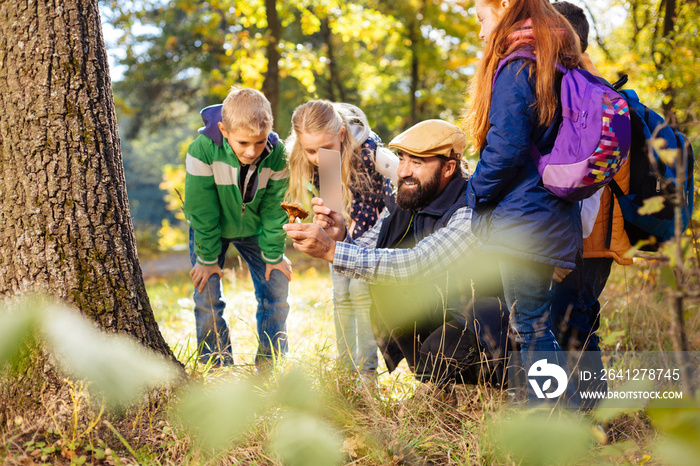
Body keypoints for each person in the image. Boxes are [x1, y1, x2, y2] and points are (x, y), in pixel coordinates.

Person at [285, 120, 509, 388]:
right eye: (402, 159)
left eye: (417, 163)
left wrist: (332, 250)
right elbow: (371, 250)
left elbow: (417, 263)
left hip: (486, 321)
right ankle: (440, 380)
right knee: (418, 347)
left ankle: (488, 386)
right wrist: (341, 236)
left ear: (448, 167)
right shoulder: (411, 199)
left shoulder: (469, 210)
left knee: (436, 356)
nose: (402, 171)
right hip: (444, 310)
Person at [463, 0, 583, 404]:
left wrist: (473, 194)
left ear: (504, 6)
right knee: (531, 323)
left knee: (531, 325)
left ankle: (548, 417)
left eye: (482, 19)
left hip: (525, 218)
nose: (481, 33)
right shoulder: (557, 60)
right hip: (548, 214)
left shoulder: (519, 65)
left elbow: (505, 148)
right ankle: (549, 412)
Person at [550, 1, 633, 407]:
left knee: (574, 322)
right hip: (588, 233)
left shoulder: (585, 91)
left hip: (586, 234)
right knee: (573, 320)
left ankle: (594, 418)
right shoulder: (589, 84)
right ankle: (582, 414)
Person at [184, 87, 291, 371]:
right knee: (207, 296)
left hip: (257, 229)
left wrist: (273, 253)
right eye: (243, 142)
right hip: (212, 231)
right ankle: (217, 366)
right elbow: (202, 210)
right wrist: (207, 260)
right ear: (224, 129)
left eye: (258, 142)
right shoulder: (202, 150)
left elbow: (274, 208)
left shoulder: (278, 154)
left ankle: (271, 364)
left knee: (276, 288)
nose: (251, 151)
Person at [286, 100, 392, 375]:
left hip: (373, 236)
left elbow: (394, 201)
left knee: (359, 293)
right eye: (310, 150)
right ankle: (345, 373)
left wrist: (362, 242)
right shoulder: (322, 158)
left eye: (325, 149)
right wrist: (324, 220)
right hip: (341, 238)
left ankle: (367, 376)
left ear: (342, 134)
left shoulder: (370, 152)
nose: (318, 156)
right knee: (341, 295)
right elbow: (334, 207)